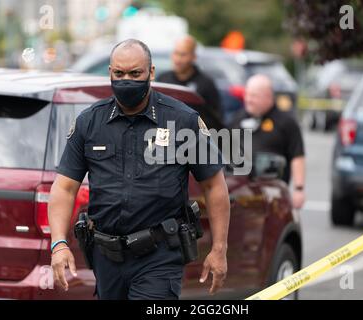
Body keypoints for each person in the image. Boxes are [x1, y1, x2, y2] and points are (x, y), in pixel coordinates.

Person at [48, 39, 230, 300]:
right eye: (119, 74)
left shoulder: (182, 120)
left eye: (135, 74)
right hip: (106, 258)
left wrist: (219, 248)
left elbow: (214, 185)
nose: (126, 80)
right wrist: (58, 243)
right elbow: (64, 188)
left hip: (159, 257)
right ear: (109, 72)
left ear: (151, 73)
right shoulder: (89, 122)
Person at [231, 74, 306, 209]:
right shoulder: (238, 119)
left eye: (254, 96)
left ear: (268, 97)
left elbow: (297, 156)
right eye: (247, 95)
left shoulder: (286, 122)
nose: (248, 100)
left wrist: (299, 189)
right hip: (241, 193)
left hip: (274, 195)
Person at [157, 35, 223, 124]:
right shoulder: (163, 79)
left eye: (183, 55)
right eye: (176, 53)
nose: (178, 59)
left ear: (194, 57)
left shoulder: (206, 84)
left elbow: (216, 117)